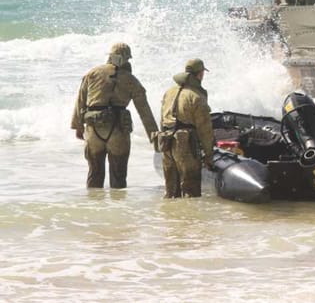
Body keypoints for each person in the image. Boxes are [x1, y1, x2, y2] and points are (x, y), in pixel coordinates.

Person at [70, 43, 159, 189]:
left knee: (94, 174)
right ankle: (118, 208)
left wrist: (78, 127)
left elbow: (80, 101)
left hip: (94, 130)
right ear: (127, 59)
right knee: (118, 177)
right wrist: (154, 138)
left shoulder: (92, 73)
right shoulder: (131, 79)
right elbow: (145, 112)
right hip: (118, 129)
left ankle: (94, 208)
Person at [157, 58, 214, 198]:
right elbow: (204, 129)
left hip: (166, 141)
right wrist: (209, 155)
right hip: (185, 144)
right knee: (191, 190)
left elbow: (162, 119)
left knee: (170, 191)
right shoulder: (196, 96)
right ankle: (189, 219)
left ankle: (170, 218)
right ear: (200, 74)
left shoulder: (169, 92)